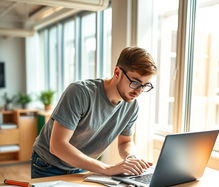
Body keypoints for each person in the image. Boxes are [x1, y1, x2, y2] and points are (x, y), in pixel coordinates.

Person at [31, 46, 157, 178]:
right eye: (135, 82)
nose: (139, 91)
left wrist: (131, 157)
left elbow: (125, 142)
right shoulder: (80, 92)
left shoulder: (131, 106)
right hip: (48, 165)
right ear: (117, 72)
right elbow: (57, 146)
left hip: (83, 166)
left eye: (145, 85)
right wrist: (108, 168)